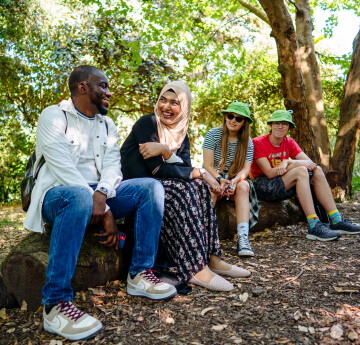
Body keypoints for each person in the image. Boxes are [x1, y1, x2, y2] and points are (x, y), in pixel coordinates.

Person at [23, 66, 176, 341]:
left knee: (150, 188)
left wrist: (102, 196)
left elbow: (112, 166)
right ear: (83, 87)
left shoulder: (107, 124)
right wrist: (103, 208)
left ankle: (140, 274)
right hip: (59, 195)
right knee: (79, 195)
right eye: (103, 86)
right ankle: (55, 305)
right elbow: (62, 168)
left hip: (98, 194)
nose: (109, 91)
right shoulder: (53, 116)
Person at [120, 81, 251, 292]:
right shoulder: (147, 123)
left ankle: (212, 258)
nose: (166, 107)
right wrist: (199, 172)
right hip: (138, 187)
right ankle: (195, 268)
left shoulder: (182, 136)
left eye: (174, 102)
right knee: (186, 188)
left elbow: (184, 168)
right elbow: (157, 170)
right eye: (163, 99)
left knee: (199, 186)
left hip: (159, 184)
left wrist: (165, 151)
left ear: (185, 108)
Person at [251, 109, 360, 241]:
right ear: (271, 125)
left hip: (283, 181)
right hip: (263, 185)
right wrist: (294, 165)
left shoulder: (289, 142)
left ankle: (336, 219)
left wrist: (287, 162)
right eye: (277, 123)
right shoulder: (258, 142)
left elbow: (311, 165)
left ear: (289, 127)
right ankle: (314, 224)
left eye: (284, 124)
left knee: (317, 170)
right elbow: (269, 173)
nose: (280, 126)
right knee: (301, 171)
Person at [203, 101, 260, 257]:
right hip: (215, 174)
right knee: (213, 188)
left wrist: (234, 181)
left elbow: (246, 169)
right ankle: (203, 235)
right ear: (225, 117)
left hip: (235, 177)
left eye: (238, 118)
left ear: (244, 123)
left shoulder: (247, 142)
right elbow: (207, 165)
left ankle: (242, 237)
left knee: (244, 187)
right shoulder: (213, 134)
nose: (233, 120)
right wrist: (220, 179)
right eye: (230, 116)